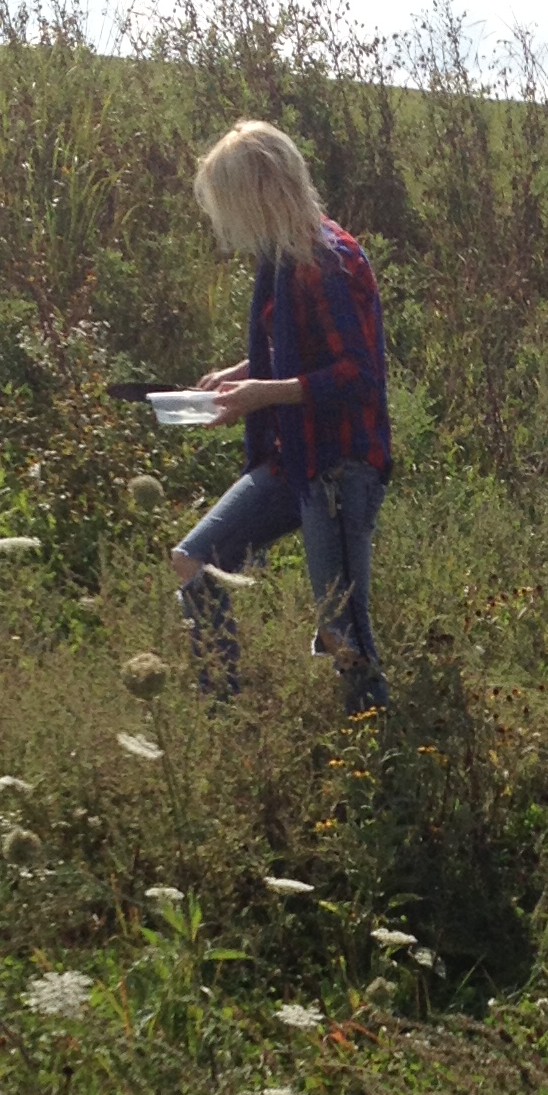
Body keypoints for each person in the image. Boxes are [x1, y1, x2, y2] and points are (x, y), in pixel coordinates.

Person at [170, 120, 392, 708]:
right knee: (195, 563)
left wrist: (262, 394)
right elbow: (297, 348)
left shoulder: (330, 260)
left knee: (341, 628)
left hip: (341, 465)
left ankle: (380, 748)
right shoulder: (282, 258)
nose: (230, 219)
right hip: (292, 456)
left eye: (232, 200)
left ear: (263, 188)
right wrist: (241, 375)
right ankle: (225, 713)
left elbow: (356, 376)